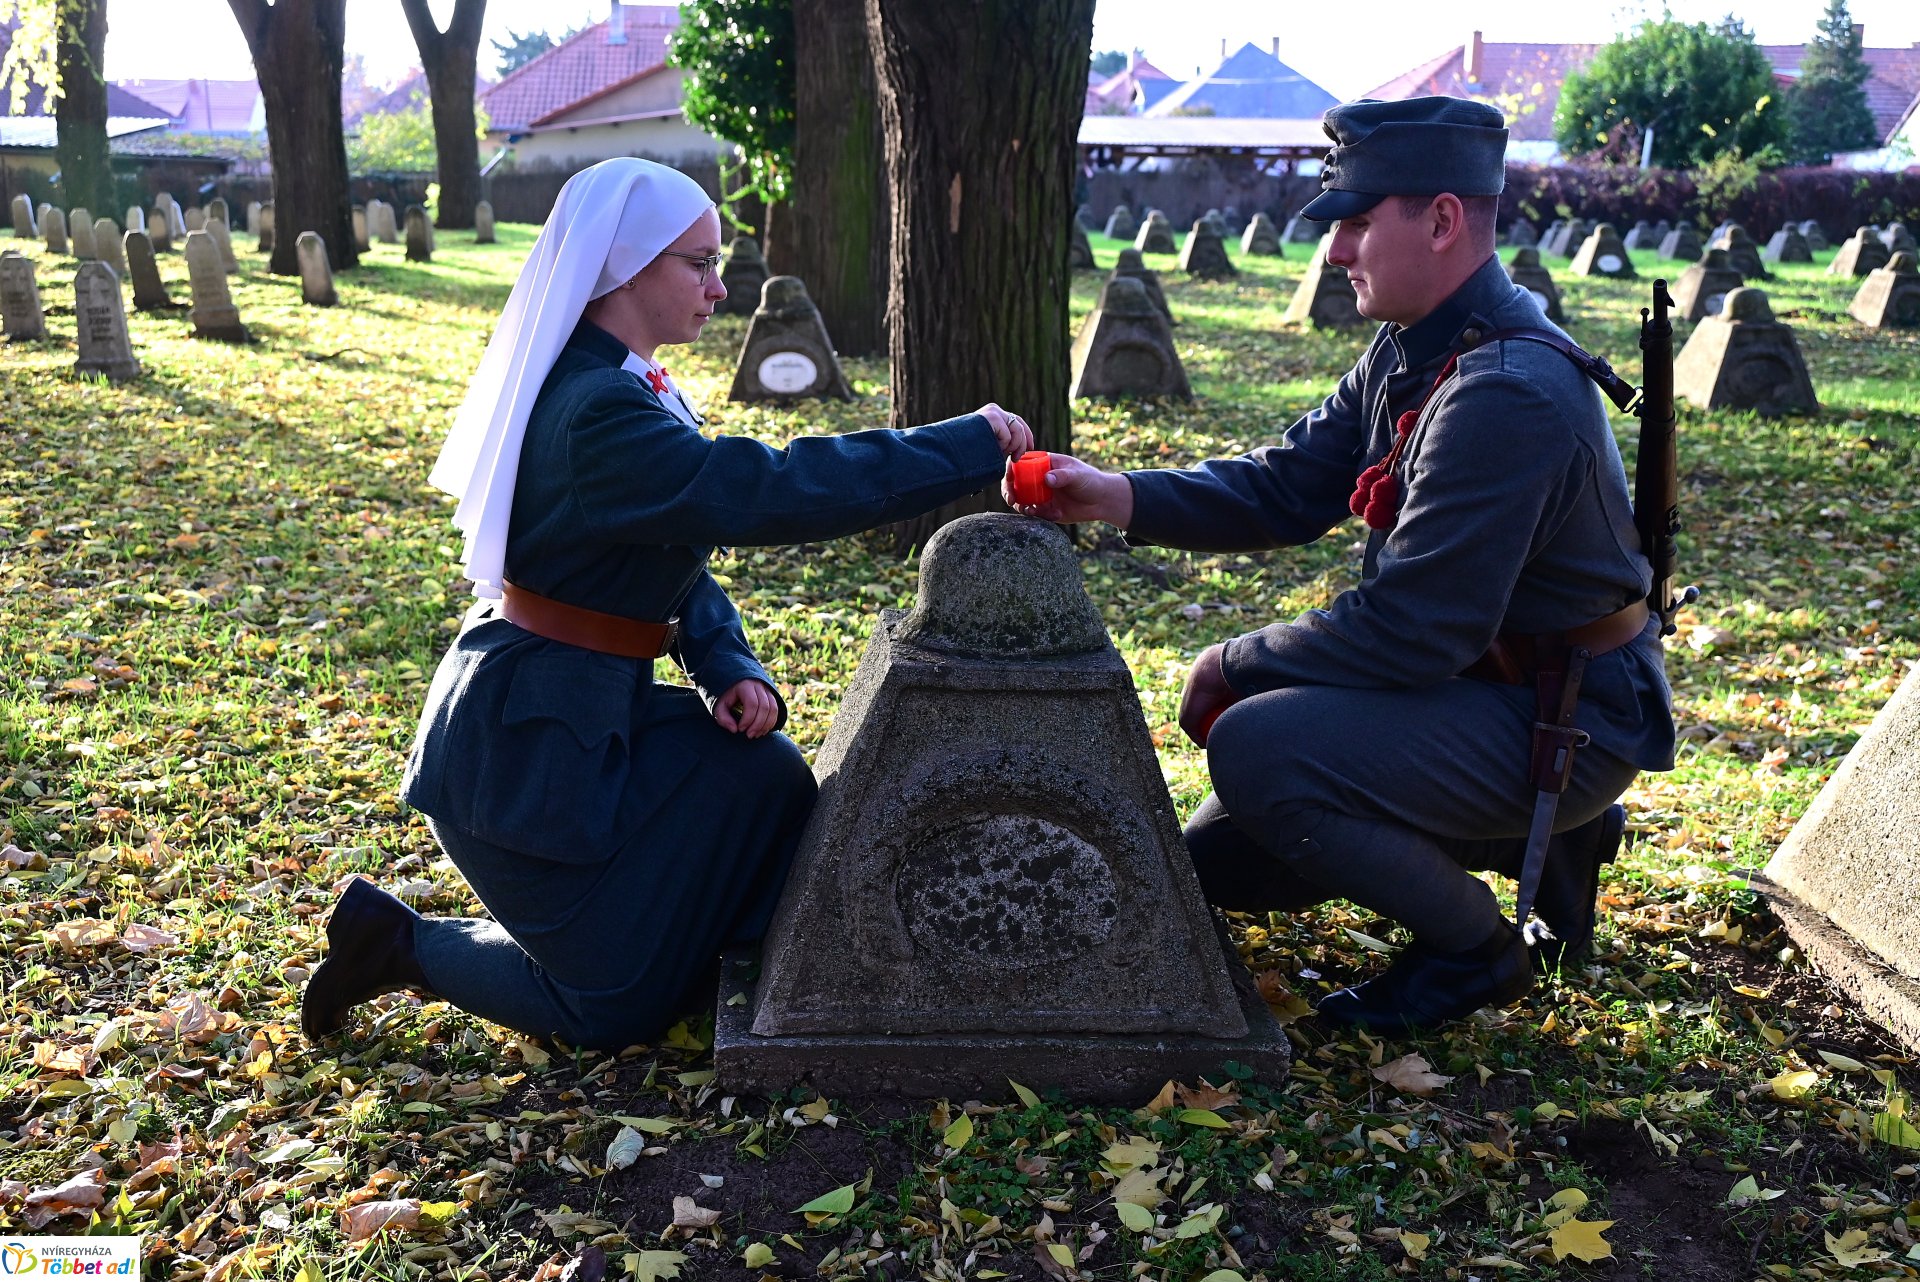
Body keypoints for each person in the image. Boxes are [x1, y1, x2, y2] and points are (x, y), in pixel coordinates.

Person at [302, 158, 1033, 1051]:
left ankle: (722, 957)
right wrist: (956, 449)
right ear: (625, 263)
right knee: (612, 1008)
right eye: (698, 263)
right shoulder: (598, 409)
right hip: (522, 750)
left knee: (759, 780)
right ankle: (399, 943)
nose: (720, 289)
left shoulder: (622, 378)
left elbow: (664, 553)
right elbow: (757, 490)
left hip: (576, 709)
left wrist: (722, 659)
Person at [1013, 97, 1675, 1030]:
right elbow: (1289, 485)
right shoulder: (1425, 344)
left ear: (1443, 221)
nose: (1335, 251)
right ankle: (1550, 843)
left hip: (1560, 715)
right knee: (1221, 868)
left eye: (1358, 222)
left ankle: (1476, 954)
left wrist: (1235, 663)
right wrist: (1117, 493)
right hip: (1498, 686)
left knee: (1259, 751)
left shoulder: (1502, 392)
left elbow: (1414, 629)